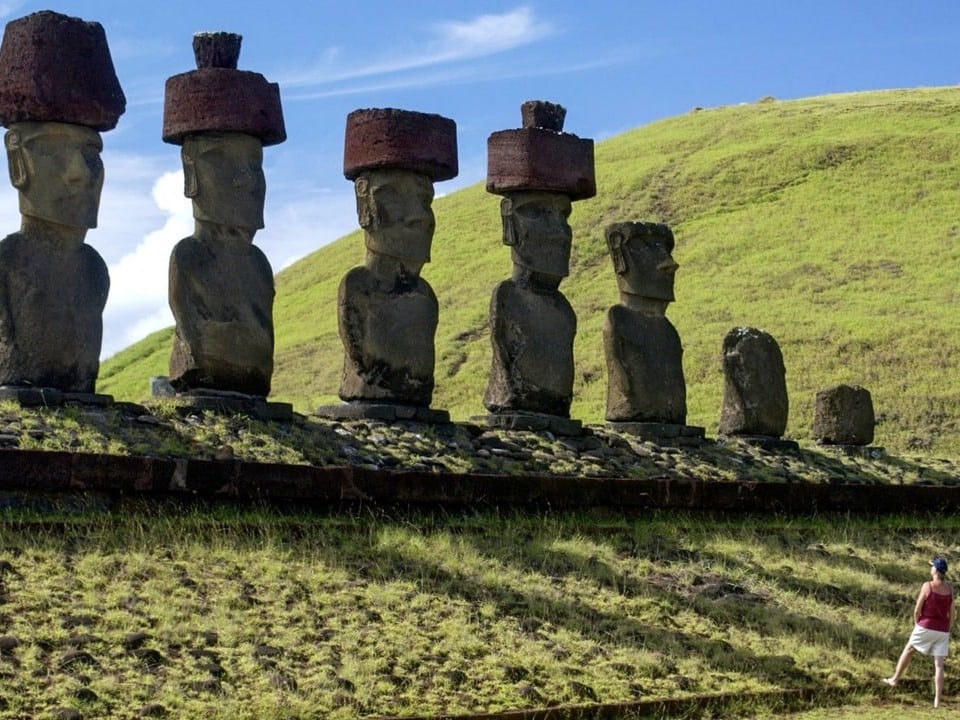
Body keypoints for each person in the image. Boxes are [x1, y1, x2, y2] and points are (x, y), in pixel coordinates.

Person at [884, 557, 955, 708]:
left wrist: (918, 624)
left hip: (926, 625)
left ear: (935, 570)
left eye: (932, 567)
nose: (930, 569)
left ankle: (895, 679)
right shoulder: (949, 590)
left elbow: (917, 609)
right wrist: (947, 628)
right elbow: (953, 614)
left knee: (909, 649)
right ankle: (937, 700)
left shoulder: (927, 586)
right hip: (942, 629)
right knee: (939, 664)